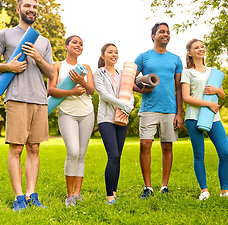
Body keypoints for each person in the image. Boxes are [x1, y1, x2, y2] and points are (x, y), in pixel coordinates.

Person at [0, 0, 55, 211]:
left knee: (34, 148)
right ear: (18, 9)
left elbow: (51, 71)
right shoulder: (5, 35)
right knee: (16, 149)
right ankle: (18, 198)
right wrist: (9, 67)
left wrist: (38, 57)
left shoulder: (43, 41)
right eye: (27, 6)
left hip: (39, 100)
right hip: (16, 98)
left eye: (34, 7)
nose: (31, 9)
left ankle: (31, 194)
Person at [181, 38, 228, 201]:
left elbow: (222, 95)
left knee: (225, 152)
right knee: (199, 154)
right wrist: (208, 103)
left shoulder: (213, 72)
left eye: (202, 47)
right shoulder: (187, 73)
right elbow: (186, 98)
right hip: (193, 117)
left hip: (213, 118)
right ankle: (204, 191)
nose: (200, 49)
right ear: (190, 53)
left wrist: (217, 91)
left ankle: (224, 192)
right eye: (196, 48)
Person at [133, 22, 183, 199]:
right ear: (153, 36)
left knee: (167, 146)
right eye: (162, 32)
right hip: (149, 108)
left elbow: (178, 88)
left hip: (169, 109)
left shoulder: (176, 59)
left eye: (168, 32)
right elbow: (130, 81)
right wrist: (142, 90)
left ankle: (164, 186)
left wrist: (179, 113)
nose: (166, 34)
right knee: (145, 144)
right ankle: (148, 187)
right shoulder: (143, 57)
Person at [47, 35, 95, 207]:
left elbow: (91, 91)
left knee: (81, 154)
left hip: (87, 113)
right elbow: (51, 90)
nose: (78, 45)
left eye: (81, 43)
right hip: (67, 113)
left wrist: (82, 81)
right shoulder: (57, 66)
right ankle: (69, 196)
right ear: (66, 46)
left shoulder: (86, 67)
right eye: (75, 42)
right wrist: (71, 92)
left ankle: (77, 193)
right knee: (73, 151)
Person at [93, 44, 134, 204]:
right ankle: (109, 196)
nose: (114, 54)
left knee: (119, 157)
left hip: (122, 118)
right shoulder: (98, 73)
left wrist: (130, 103)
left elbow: (128, 91)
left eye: (116, 52)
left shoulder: (123, 73)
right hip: (106, 119)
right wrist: (124, 105)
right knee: (113, 155)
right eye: (110, 52)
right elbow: (103, 94)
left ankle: (115, 192)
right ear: (103, 55)